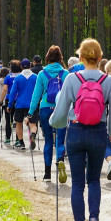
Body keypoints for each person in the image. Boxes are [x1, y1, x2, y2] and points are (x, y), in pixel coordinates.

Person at [50, 38, 111, 221]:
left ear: (81, 58)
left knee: (77, 184)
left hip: (75, 132)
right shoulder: (108, 81)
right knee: (94, 180)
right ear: (100, 58)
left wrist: (52, 122)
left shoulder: (72, 79)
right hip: (99, 133)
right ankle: (94, 220)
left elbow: (59, 115)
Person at [29, 46, 69, 181]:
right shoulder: (65, 73)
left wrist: (30, 113)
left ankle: (47, 174)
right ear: (60, 58)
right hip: (61, 108)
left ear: (47, 58)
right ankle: (60, 159)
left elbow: (36, 95)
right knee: (60, 139)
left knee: (48, 141)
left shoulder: (42, 74)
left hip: (45, 108)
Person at [11, 59, 38, 149]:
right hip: (32, 104)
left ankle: (21, 142)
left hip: (20, 104)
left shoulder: (18, 78)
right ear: (30, 66)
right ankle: (33, 135)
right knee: (33, 123)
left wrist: (10, 104)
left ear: (21, 67)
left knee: (19, 123)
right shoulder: (35, 77)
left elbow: (13, 92)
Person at [3, 61, 23, 145]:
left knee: (8, 120)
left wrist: (1, 100)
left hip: (9, 99)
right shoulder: (21, 76)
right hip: (18, 99)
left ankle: (8, 138)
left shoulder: (8, 77)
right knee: (18, 121)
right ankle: (18, 139)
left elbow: (5, 89)